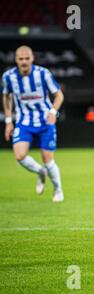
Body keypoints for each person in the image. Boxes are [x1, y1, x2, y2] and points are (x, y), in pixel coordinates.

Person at [2, 46, 65, 202]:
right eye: (20, 59)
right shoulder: (8, 77)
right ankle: (40, 172)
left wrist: (53, 112)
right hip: (24, 121)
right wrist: (9, 121)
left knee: (48, 159)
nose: (24, 62)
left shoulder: (43, 74)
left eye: (26, 58)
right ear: (16, 60)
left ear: (32, 59)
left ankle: (58, 190)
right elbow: (6, 96)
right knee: (19, 155)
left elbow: (58, 95)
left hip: (45, 121)